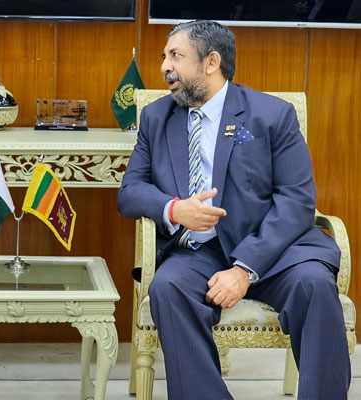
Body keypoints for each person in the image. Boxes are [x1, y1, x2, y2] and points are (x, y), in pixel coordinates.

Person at [118, 20, 349, 399]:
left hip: (274, 250)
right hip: (198, 253)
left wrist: (244, 269)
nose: (164, 66)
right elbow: (130, 192)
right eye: (164, 56)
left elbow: (296, 199)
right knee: (168, 287)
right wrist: (175, 210)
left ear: (211, 62)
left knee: (315, 285)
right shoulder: (157, 118)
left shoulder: (272, 115)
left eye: (175, 56)